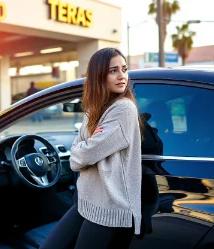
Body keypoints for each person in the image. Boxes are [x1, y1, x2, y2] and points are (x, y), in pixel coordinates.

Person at [40, 48, 143, 249]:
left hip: (107, 207)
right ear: (99, 76)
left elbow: (80, 156)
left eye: (124, 69)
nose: (122, 76)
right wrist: (85, 147)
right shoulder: (95, 109)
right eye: (113, 70)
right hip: (86, 201)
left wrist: (84, 147)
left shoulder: (123, 109)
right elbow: (80, 147)